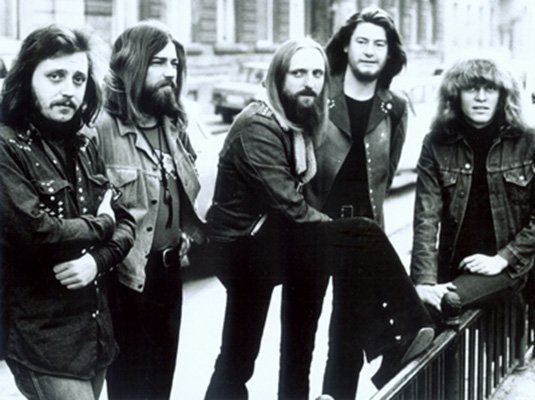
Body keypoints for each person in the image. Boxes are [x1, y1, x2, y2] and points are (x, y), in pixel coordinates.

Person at [204, 37, 433, 400]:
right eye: (298, 73)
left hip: (268, 241)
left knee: (245, 355)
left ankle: (393, 343)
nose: (309, 82)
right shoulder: (258, 125)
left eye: (316, 74)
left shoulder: (297, 123)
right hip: (240, 249)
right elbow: (290, 206)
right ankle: (402, 333)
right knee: (361, 234)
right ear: (278, 78)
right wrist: (340, 234)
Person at [0, 25, 136, 400]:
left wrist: (97, 260)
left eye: (78, 79)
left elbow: (127, 222)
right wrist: (102, 223)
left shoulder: (83, 142)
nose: (69, 90)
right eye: (55, 76)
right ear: (26, 78)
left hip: (96, 337)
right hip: (45, 344)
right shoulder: (7, 146)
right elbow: (40, 234)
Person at [286, 7, 411, 398]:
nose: (370, 51)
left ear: (390, 53)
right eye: (362, 41)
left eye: (379, 44)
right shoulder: (319, 96)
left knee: (347, 342)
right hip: (312, 230)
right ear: (345, 46)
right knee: (297, 340)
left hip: (363, 240)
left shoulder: (395, 107)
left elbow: (386, 174)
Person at [95, 21, 204, 400]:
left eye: (174, 64)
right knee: (129, 389)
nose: (170, 73)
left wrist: (184, 230)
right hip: (125, 281)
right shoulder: (102, 128)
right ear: (133, 64)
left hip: (169, 274)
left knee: (161, 386)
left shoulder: (173, 123)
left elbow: (178, 187)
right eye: (158, 62)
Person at [411, 58, 535, 327]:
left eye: (490, 89)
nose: (481, 98)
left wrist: (503, 258)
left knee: (441, 307)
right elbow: (425, 218)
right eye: (471, 89)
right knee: (417, 304)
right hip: (455, 265)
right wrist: (424, 281)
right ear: (455, 95)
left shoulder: (528, 142)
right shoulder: (436, 143)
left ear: (504, 95)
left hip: (512, 267)